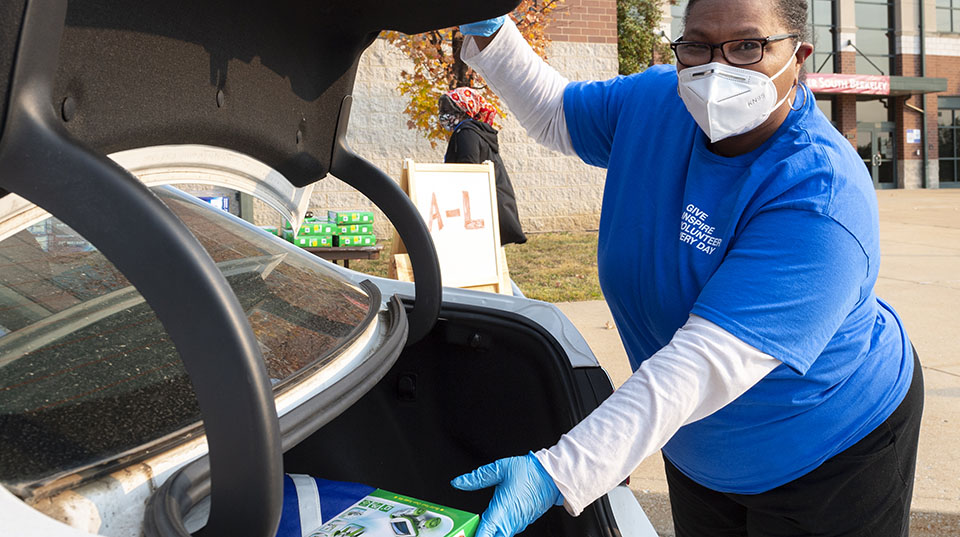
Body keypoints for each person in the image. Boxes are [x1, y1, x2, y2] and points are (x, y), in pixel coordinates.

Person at [448, 2, 924, 537]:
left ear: (799, 58)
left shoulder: (820, 193)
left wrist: (561, 470)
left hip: (830, 448)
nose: (717, 70)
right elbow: (557, 114)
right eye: (697, 44)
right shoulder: (658, 101)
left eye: (748, 46)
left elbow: (705, 362)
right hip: (697, 442)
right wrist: (488, 28)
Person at [439, 87, 527, 246]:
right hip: (494, 203)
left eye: (449, 109)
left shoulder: (467, 133)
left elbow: (469, 172)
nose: (444, 114)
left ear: (463, 109)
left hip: (484, 210)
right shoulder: (475, 131)